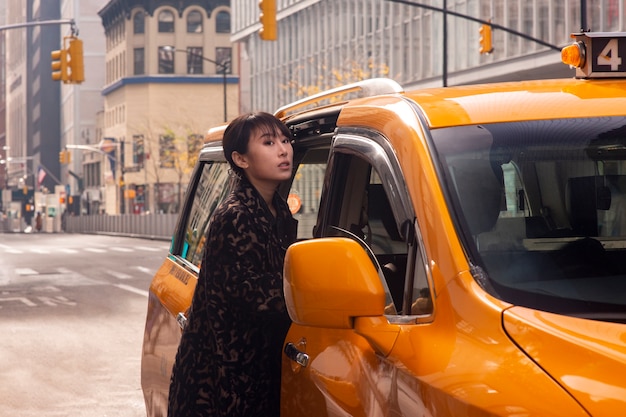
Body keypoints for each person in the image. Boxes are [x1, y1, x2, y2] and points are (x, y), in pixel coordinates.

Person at [168, 112, 298, 417]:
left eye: (285, 140)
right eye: (268, 142)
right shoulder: (235, 215)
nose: (283, 150)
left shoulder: (277, 211)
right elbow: (250, 294)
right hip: (224, 381)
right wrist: (316, 290)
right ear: (241, 159)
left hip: (252, 373)